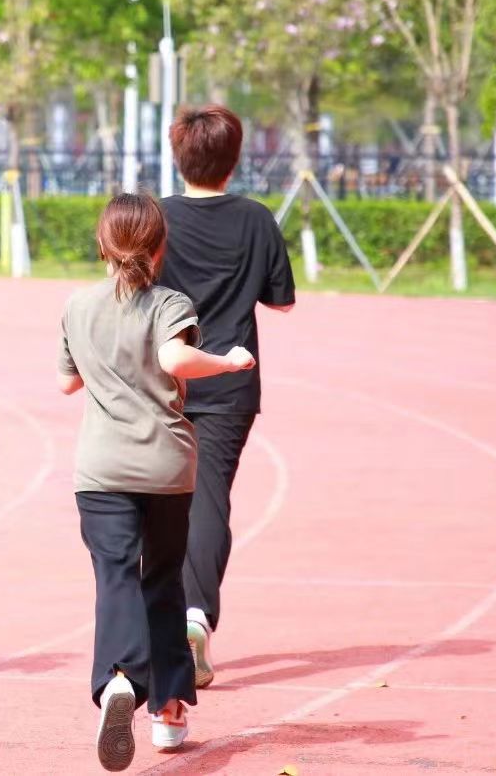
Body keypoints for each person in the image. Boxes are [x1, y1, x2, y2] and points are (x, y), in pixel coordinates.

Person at [57, 192, 256, 772]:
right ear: (161, 247)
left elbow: (67, 382)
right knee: (163, 581)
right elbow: (174, 360)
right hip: (166, 468)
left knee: (115, 575)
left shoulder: (77, 305)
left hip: (101, 469)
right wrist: (228, 362)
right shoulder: (170, 303)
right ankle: (167, 711)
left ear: (102, 245)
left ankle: (119, 677)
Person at [157, 105, 296, 689]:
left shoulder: (157, 218)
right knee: (209, 499)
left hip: (163, 378)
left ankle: (152, 624)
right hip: (230, 382)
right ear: (235, 161)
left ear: (177, 156)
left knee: (154, 501)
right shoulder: (257, 219)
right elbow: (281, 300)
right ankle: (195, 617)